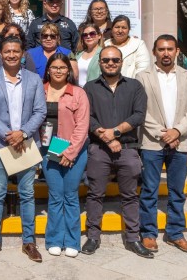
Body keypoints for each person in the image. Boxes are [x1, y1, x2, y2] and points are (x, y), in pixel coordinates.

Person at [0, 36, 47, 263]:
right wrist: (9, 135)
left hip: (27, 144)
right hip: (0, 145)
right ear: (0, 53)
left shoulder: (34, 79)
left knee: (27, 194)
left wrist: (23, 133)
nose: (11, 55)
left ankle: (29, 241)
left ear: (22, 53)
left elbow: (40, 111)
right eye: (7, 51)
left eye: (15, 51)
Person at [82, 46, 150, 258]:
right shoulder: (89, 87)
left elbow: (139, 115)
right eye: (106, 60)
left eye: (114, 60)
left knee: (130, 195)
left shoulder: (135, 87)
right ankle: (93, 236)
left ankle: (133, 238)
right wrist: (105, 137)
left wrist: (115, 132)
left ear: (121, 62)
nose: (110, 63)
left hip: (127, 150)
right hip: (99, 149)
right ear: (100, 63)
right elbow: (87, 117)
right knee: (95, 194)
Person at [137, 35, 187, 255]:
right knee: (149, 190)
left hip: (180, 142)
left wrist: (177, 131)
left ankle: (175, 233)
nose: (166, 53)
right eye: (161, 49)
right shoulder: (142, 77)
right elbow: (141, 111)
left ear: (177, 51)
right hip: (152, 143)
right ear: (154, 52)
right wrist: (163, 134)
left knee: (177, 191)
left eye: (170, 49)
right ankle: (148, 233)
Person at [40, 53, 89, 258]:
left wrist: (69, 152)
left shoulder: (78, 93)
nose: (58, 71)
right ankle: (53, 239)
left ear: (68, 70)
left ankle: (72, 240)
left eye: (62, 67)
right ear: (48, 69)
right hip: (48, 149)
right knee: (55, 195)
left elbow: (83, 126)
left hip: (73, 149)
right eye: (54, 67)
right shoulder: (40, 90)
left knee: (70, 196)